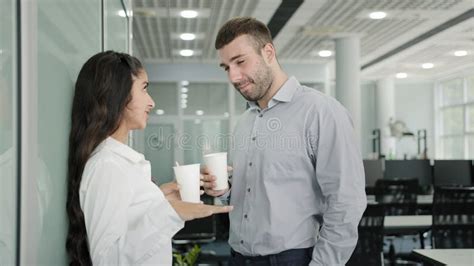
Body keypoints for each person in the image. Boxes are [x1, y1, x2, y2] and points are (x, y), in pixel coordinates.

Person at [201, 17, 367, 265]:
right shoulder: (245, 121)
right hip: (238, 258)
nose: (234, 76)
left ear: (268, 52)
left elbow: (346, 202)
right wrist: (224, 190)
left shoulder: (321, 112)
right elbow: (252, 193)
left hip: (292, 259)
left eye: (240, 61)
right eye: (226, 67)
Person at [66, 51, 233, 265]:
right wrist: (170, 213)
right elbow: (107, 259)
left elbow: (130, 220)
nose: (152, 102)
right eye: (144, 88)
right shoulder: (107, 165)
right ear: (117, 95)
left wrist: (161, 198)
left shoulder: (119, 162)